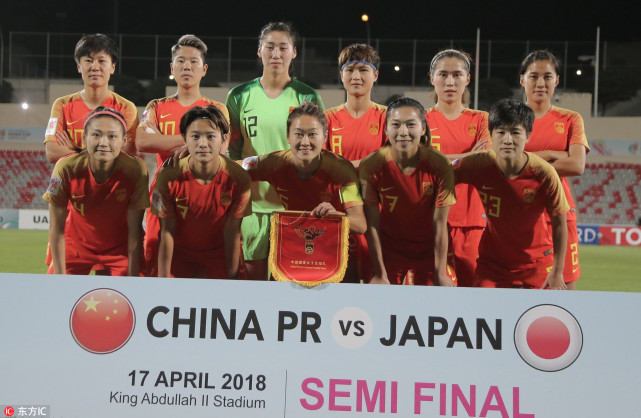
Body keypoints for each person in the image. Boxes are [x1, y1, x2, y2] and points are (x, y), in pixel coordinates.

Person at [226, 22, 324, 280]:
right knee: (254, 284)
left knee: (290, 284)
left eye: (283, 47)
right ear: (259, 51)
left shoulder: (307, 96)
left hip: (295, 207)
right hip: (253, 208)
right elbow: (232, 152)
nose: (276, 53)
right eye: (270, 47)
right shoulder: (239, 96)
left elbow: (317, 154)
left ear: (294, 52)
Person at [136, 34, 229, 277]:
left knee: (204, 270)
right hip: (163, 194)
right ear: (172, 68)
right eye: (180, 61)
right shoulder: (156, 106)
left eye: (194, 62)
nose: (187, 66)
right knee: (156, 265)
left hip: (204, 199)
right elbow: (142, 141)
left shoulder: (217, 109)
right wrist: (200, 137)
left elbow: (220, 149)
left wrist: (163, 139)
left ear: (204, 69)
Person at [453, 99, 569, 289]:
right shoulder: (476, 164)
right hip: (492, 266)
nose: (507, 140)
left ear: (528, 136)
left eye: (515, 132)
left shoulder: (544, 173)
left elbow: (559, 223)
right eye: (501, 132)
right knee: (482, 307)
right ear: (491, 134)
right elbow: (439, 179)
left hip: (537, 264)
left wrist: (557, 271)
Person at [359, 97, 456, 286]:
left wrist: (440, 274)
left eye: (411, 124)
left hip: (430, 249)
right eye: (396, 125)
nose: (403, 132)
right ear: (386, 129)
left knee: (441, 296)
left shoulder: (440, 165)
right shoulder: (371, 165)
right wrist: (380, 273)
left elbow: (440, 224)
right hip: (390, 249)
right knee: (380, 296)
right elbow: (372, 224)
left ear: (423, 129)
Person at [43, 107, 149, 276]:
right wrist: (60, 278)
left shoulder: (136, 169)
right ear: (85, 138)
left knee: (138, 286)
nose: (103, 143)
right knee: (55, 289)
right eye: (96, 135)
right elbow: (56, 228)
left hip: (119, 249)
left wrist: (132, 278)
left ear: (123, 141)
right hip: (76, 245)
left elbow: (135, 230)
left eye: (112, 136)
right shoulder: (66, 167)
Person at [152, 106, 251, 279]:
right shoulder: (167, 176)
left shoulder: (239, 178)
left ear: (224, 139)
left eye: (211, 136)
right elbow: (166, 231)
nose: (203, 144)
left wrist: (232, 281)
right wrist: (163, 280)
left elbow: (233, 233)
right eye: (195, 136)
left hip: (219, 255)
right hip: (180, 256)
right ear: (184, 139)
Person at [242, 101, 365, 238]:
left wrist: (335, 216)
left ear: (324, 137)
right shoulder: (274, 163)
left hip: (330, 243)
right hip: (293, 240)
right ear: (288, 136)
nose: (305, 142)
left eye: (312, 134)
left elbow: (360, 224)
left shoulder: (341, 170)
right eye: (299, 134)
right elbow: (235, 168)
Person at [519, 50, 589, 289]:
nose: (540, 83)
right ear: (522, 79)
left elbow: (576, 165)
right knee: (517, 294)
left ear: (557, 80)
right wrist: (552, 154)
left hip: (560, 211)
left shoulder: (571, 119)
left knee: (564, 294)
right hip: (519, 214)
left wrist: (526, 161)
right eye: (534, 76)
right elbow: (506, 164)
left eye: (547, 77)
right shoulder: (511, 120)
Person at [426, 49, 490, 287]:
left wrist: (439, 160)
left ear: (468, 78)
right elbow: (419, 163)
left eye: (457, 75)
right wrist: (468, 156)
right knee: (428, 292)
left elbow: (484, 161)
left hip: (470, 219)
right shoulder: (420, 120)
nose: (450, 82)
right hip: (428, 218)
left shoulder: (482, 119)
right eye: (443, 74)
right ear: (432, 78)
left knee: (472, 290)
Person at [324, 43, 386, 282]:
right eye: (349, 70)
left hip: (377, 213)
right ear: (341, 75)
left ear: (375, 75)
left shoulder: (387, 117)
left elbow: (390, 162)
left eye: (363, 70)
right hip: (340, 212)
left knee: (376, 284)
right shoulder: (327, 118)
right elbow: (322, 165)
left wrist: (346, 166)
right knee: (340, 284)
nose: (356, 76)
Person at [44, 33, 138, 164]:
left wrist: (75, 150)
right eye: (88, 61)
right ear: (79, 67)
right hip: (72, 178)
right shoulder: (62, 105)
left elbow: (128, 156)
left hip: (109, 180)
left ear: (112, 67)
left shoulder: (126, 108)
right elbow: (52, 153)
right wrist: (105, 154)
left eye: (101, 61)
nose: (95, 67)